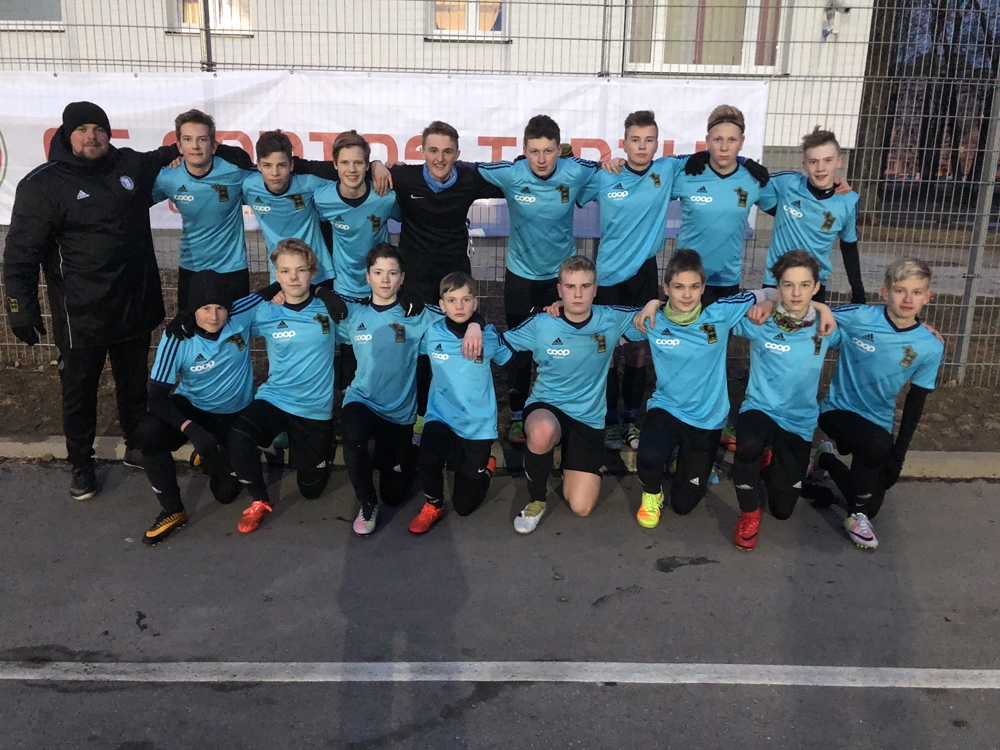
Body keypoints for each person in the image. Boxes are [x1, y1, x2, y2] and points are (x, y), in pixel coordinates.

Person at [4, 101, 187, 499]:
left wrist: (218, 150)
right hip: (80, 317)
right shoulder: (42, 185)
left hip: (133, 307)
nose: (92, 136)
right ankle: (81, 465)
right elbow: (20, 254)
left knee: (134, 387)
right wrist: (20, 309)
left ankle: (136, 445)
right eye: (83, 129)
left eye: (99, 129)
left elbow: (175, 151)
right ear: (66, 135)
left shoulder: (129, 165)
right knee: (79, 394)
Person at [630, 249, 834, 527]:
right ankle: (653, 493)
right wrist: (652, 303)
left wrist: (820, 308)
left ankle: (685, 459)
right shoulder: (653, 319)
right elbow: (606, 318)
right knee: (649, 455)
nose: (687, 294)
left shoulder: (720, 313)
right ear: (666, 288)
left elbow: (771, 292)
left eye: (694, 287)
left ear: (703, 287)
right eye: (678, 287)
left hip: (707, 419)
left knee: (683, 506)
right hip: (668, 408)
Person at [338, 244, 483, 536]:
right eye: (378, 272)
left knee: (394, 494)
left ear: (403, 277)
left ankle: (403, 455)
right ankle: (367, 503)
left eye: (392, 273)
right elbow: (309, 309)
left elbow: (459, 310)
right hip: (362, 399)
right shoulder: (354, 313)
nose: (385, 279)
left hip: (399, 412)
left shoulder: (417, 312)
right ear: (367, 277)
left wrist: (475, 325)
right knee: (352, 435)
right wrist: (318, 291)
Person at [479, 115, 604, 444]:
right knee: (519, 351)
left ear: (559, 150)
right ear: (524, 149)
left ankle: (562, 412)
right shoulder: (511, 173)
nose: (542, 159)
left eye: (549, 151)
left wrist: (614, 162)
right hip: (520, 277)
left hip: (561, 280)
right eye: (534, 151)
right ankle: (517, 417)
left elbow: (609, 170)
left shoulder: (575, 171)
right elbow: (464, 171)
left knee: (562, 346)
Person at [499, 255, 643, 534]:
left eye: (585, 286)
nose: (577, 294)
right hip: (547, 406)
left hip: (587, 417)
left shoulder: (611, 319)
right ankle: (536, 500)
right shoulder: (542, 323)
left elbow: (662, 316)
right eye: (570, 286)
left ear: (595, 289)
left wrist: (653, 304)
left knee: (581, 507)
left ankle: (571, 460)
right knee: (542, 430)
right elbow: (499, 342)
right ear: (559, 290)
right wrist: (472, 327)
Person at [815, 258, 944, 550]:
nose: (908, 299)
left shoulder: (930, 346)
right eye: (900, 290)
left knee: (873, 497)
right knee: (875, 447)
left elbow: (915, 403)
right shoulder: (860, 316)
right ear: (885, 292)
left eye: (916, 292)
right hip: (838, 410)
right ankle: (854, 517)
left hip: (878, 422)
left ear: (927, 296)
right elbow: (812, 310)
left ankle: (824, 459)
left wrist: (899, 455)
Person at [135, 271, 268, 545]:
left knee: (226, 494)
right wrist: (192, 430)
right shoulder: (177, 336)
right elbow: (157, 399)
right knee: (148, 431)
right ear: (192, 309)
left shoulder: (240, 313)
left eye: (220, 307)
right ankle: (172, 510)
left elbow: (278, 288)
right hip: (194, 408)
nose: (214, 316)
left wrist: (322, 292)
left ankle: (216, 453)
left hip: (233, 414)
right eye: (205, 308)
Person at [575, 110, 680, 451]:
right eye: (635, 140)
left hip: (644, 275)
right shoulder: (607, 175)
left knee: (637, 352)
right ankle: (608, 423)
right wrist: (601, 164)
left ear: (657, 144)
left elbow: (710, 162)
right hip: (607, 277)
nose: (642, 146)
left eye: (649, 140)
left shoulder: (667, 171)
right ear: (623, 143)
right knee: (606, 350)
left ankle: (632, 422)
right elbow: (569, 180)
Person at [228, 239, 346, 533]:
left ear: (312, 273)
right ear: (276, 274)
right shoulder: (266, 312)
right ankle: (259, 500)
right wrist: (268, 292)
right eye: (285, 271)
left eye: (301, 270)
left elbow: (371, 311)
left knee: (311, 490)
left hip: (314, 408)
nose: (293, 277)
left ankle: (312, 444)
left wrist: (323, 291)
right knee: (239, 436)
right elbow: (226, 312)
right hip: (276, 398)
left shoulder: (328, 309)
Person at [729, 251, 840, 550]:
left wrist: (822, 308)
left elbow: (877, 323)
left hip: (799, 420)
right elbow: (716, 312)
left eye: (804, 285)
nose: (796, 293)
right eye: (788, 285)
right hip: (760, 408)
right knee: (748, 444)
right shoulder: (761, 319)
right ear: (778, 287)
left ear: (816, 287)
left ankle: (772, 459)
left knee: (782, 510)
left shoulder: (826, 326)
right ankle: (749, 515)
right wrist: (765, 300)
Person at [409, 272, 512, 534]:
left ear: (475, 303)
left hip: (477, 424)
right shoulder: (432, 333)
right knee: (428, 458)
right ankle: (433, 505)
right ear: (441, 305)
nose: (459, 306)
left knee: (465, 506)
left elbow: (513, 362)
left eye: (466, 299)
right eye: (452, 300)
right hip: (441, 416)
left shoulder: (488, 336)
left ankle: (485, 465)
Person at [312, 130, 402, 389]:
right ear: (335, 165)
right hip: (345, 286)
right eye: (345, 162)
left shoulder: (385, 197)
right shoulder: (322, 198)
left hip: (381, 286)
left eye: (358, 162)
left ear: (367, 165)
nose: (352, 169)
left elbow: (409, 218)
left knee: (380, 348)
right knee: (350, 352)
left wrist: (381, 165)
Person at [151, 109, 256, 310]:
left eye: (202, 139)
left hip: (232, 268)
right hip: (192, 268)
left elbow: (270, 176)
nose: (195, 146)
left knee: (235, 328)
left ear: (214, 146)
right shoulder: (168, 176)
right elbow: (136, 200)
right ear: (179, 146)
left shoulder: (234, 170)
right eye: (188, 139)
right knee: (190, 328)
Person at [670, 105, 772, 306]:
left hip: (726, 280)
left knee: (721, 328)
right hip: (686, 278)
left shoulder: (753, 178)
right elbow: (651, 174)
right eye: (718, 140)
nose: (724, 147)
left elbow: (789, 205)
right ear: (707, 140)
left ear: (741, 142)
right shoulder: (688, 172)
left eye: (732, 140)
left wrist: (833, 188)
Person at [760, 127, 865, 304]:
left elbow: (849, 247)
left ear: (839, 162)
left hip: (814, 284)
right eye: (813, 161)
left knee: (813, 323)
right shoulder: (788, 183)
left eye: (828, 160)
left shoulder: (849, 200)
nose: (820, 168)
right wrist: (743, 160)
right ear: (805, 165)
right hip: (776, 281)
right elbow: (748, 179)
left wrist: (858, 293)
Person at [241, 130, 337, 286]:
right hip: (281, 276)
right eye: (267, 165)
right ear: (258, 165)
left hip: (318, 273)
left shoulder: (309, 183)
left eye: (281, 165)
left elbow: (347, 179)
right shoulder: (249, 187)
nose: (275, 173)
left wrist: (375, 166)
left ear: (291, 165)